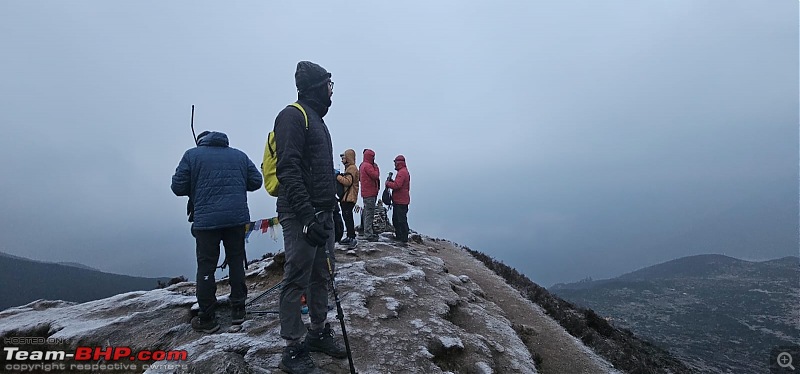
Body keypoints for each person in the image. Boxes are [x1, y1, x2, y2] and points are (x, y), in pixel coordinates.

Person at [273, 61, 347, 373]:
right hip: (300, 214)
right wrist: (307, 217)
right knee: (296, 278)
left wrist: (334, 210)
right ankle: (293, 348)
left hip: (323, 213)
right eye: (329, 86)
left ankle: (318, 332)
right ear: (317, 87)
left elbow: (320, 172)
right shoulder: (293, 116)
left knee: (322, 276)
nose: (332, 93)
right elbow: (287, 169)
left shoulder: (317, 120)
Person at [171, 130, 262, 333]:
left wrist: (197, 184)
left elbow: (177, 187)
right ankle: (238, 310)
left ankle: (207, 317)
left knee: (206, 267)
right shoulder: (239, 155)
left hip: (206, 222)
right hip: (236, 219)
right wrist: (236, 185)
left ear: (201, 142)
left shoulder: (191, 155)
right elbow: (256, 181)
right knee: (236, 261)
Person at [337, 149, 360, 248]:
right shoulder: (350, 168)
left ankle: (352, 237)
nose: (342, 160)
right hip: (347, 197)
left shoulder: (352, 168)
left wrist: (337, 176)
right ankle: (350, 236)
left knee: (348, 217)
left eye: (344, 158)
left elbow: (347, 182)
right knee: (347, 217)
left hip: (349, 197)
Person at [386, 155, 411, 245]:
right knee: (398, 219)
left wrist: (388, 183)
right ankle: (401, 236)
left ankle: (403, 238)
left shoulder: (401, 173)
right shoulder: (403, 171)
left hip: (400, 201)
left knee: (400, 220)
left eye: (395, 162)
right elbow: (398, 184)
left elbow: (397, 186)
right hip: (401, 200)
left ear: (398, 163)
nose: (394, 164)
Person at [359, 149, 380, 241]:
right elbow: (375, 175)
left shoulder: (362, 165)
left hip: (366, 192)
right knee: (369, 213)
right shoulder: (368, 166)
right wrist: (376, 168)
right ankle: (368, 234)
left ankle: (365, 230)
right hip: (370, 192)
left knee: (366, 211)